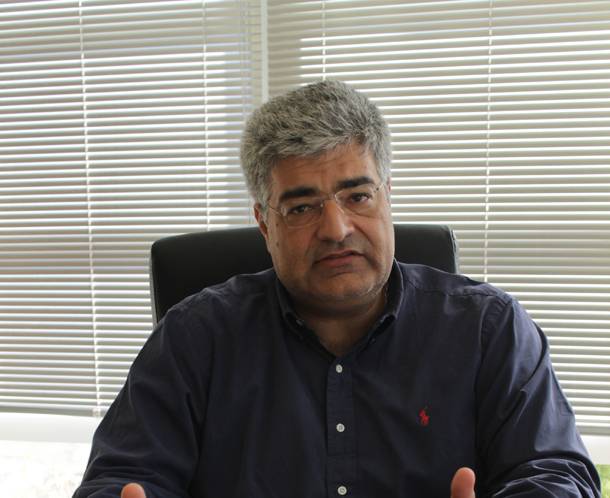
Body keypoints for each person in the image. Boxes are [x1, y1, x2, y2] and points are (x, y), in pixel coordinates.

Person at [74, 80, 600, 498]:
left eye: (357, 196)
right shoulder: (194, 338)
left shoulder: (489, 329)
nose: (336, 229)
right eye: (302, 207)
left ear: (387, 196)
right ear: (264, 223)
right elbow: (121, 478)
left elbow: (555, 471)